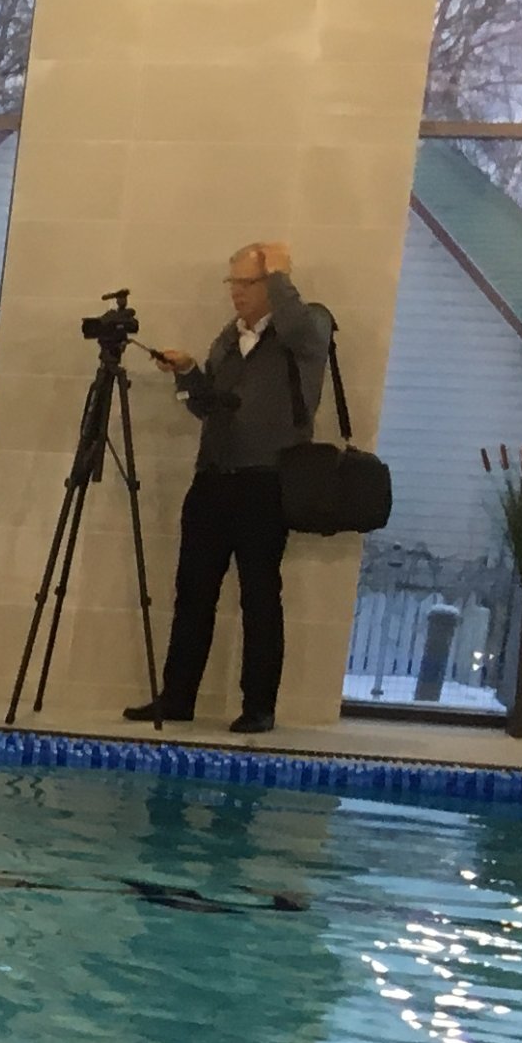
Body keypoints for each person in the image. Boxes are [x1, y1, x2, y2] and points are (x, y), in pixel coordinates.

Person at [129, 241, 332, 736]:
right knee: (193, 592)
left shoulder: (308, 325)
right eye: (233, 283)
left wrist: (280, 273)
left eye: (247, 282)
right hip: (213, 477)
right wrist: (187, 374)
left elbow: (297, 326)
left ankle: (259, 706)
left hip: (267, 480)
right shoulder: (228, 337)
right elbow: (208, 408)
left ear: (273, 283)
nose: (236, 292)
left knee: (259, 596)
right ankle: (178, 696)